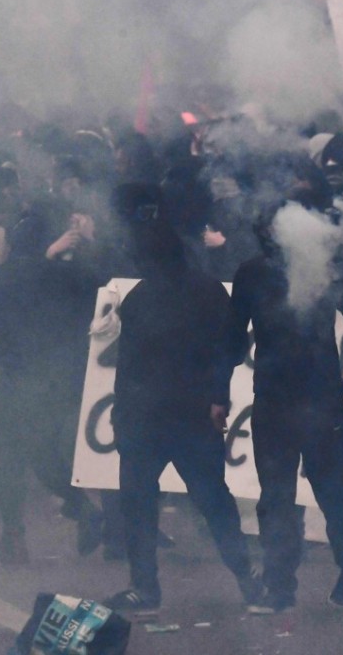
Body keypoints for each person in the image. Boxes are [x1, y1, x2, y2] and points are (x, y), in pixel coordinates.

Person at [227, 198, 343, 614]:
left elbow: (232, 339)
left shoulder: (290, 270)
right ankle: (288, 583)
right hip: (292, 401)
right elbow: (234, 337)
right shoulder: (265, 272)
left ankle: (306, 579)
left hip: (301, 401)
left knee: (305, 494)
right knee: (296, 495)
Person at [107, 221, 262, 614]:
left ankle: (145, 589)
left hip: (147, 417)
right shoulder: (207, 290)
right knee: (213, 500)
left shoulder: (139, 298)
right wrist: (217, 398)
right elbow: (231, 347)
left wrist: (121, 416)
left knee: (139, 504)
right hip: (191, 414)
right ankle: (247, 579)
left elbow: (128, 365)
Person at [0, 203, 105, 564]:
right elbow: (104, 287)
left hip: (21, 378)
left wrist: (32, 261)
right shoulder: (66, 273)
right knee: (41, 453)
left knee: (10, 458)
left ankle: (15, 539)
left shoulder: (19, 274)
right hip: (60, 377)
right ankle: (82, 509)